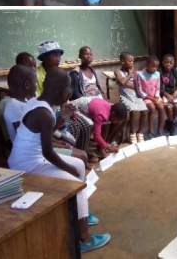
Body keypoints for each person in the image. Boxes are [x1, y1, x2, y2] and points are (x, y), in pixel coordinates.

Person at [8, 67, 111, 252]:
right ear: (60, 91)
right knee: (77, 186)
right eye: (68, 89)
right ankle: (84, 239)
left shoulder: (38, 103)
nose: (69, 93)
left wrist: (62, 118)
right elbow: (48, 152)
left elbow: (45, 134)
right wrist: (66, 168)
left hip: (32, 157)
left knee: (79, 164)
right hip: (27, 164)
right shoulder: (44, 114)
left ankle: (80, 215)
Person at [115, 51, 146, 142]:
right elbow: (121, 82)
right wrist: (130, 75)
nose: (132, 63)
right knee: (135, 111)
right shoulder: (118, 71)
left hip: (136, 96)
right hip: (126, 97)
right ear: (122, 61)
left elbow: (136, 86)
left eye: (133, 61)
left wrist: (126, 82)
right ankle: (132, 133)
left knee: (144, 111)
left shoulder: (134, 72)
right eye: (130, 61)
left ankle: (140, 132)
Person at [135, 56, 165, 137]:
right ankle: (150, 130)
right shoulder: (140, 74)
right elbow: (139, 91)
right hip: (145, 97)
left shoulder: (157, 74)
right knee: (152, 108)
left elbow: (158, 88)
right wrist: (150, 98)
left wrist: (156, 96)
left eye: (156, 67)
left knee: (161, 107)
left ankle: (160, 129)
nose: (155, 68)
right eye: (153, 66)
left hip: (155, 96)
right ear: (147, 65)